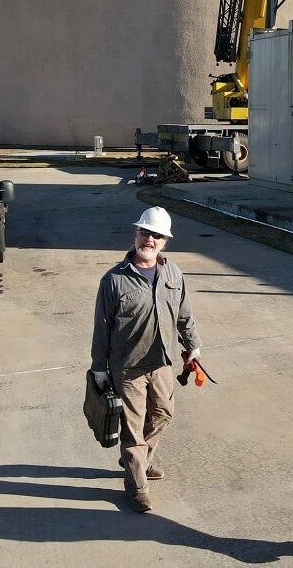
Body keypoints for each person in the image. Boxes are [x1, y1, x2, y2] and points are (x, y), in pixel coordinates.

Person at [90, 206, 202, 513]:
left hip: (162, 361)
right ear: (135, 233)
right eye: (145, 232)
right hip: (127, 367)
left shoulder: (173, 273)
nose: (149, 239)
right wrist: (99, 367)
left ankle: (138, 459)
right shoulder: (114, 280)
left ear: (165, 241)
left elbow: (184, 314)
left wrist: (193, 346)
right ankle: (137, 485)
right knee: (133, 428)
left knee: (163, 414)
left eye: (156, 235)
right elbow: (101, 326)